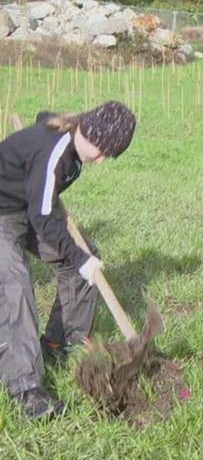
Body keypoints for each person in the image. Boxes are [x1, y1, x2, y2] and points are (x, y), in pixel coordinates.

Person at [0, 101, 137, 420]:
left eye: (109, 155)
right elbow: (45, 217)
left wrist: (82, 259)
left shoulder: (70, 133)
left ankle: (62, 343)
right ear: (87, 130)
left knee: (84, 262)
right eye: (100, 150)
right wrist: (79, 258)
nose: (101, 160)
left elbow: (43, 118)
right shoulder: (55, 152)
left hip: (29, 208)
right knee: (14, 286)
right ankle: (26, 389)